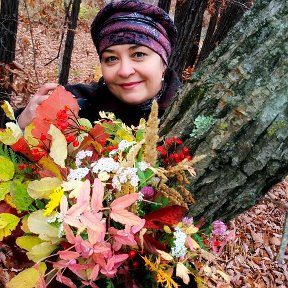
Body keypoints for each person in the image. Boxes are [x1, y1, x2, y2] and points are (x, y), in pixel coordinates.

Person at [17, 0, 181, 128]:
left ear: (163, 63)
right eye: (111, 58)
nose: (124, 71)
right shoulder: (76, 103)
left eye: (138, 55)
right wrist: (21, 125)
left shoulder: (188, 106)